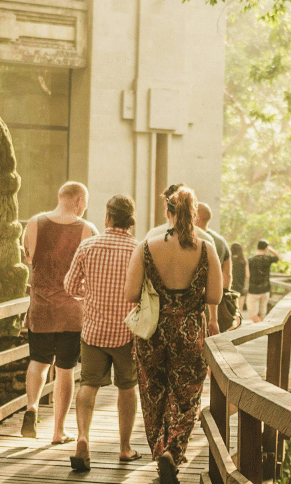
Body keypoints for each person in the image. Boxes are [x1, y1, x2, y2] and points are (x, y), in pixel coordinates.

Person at [124, 185, 222, 484]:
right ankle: (173, 449)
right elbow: (215, 297)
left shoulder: (147, 245)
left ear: (167, 210)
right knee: (186, 394)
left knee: (154, 393)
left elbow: (130, 294)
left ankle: (159, 450)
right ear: (194, 213)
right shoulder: (206, 249)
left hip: (153, 332)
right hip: (190, 331)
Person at [63, 195, 142, 471]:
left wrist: (91, 294)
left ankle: (83, 438)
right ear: (131, 220)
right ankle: (124, 448)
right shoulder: (138, 249)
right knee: (127, 387)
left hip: (94, 332)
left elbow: (70, 286)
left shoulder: (88, 246)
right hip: (127, 332)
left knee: (88, 385)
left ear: (108, 217)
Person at [20, 181, 98, 444]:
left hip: (40, 308)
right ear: (78, 201)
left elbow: (30, 258)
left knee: (38, 361)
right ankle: (58, 431)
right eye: (85, 203)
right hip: (71, 311)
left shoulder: (34, 222)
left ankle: (31, 407)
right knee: (65, 370)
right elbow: (91, 272)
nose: (85, 208)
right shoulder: (87, 230)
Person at [195, 202, 237, 331]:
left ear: (196, 217)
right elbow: (227, 276)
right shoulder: (221, 241)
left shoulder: (192, 238)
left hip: (194, 302)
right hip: (214, 300)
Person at [246, 239, 280, 323]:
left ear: (257, 247)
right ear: (266, 249)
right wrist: (270, 249)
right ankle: (262, 329)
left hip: (253, 290)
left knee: (252, 315)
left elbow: (247, 275)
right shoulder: (268, 258)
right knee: (262, 314)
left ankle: (261, 327)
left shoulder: (250, 260)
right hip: (265, 290)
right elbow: (279, 257)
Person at [229, 242, 249, 318]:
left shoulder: (229, 260)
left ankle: (231, 327)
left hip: (231, 288)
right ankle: (238, 325)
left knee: (230, 309)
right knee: (239, 310)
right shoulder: (244, 260)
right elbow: (247, 275)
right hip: (241, 287)